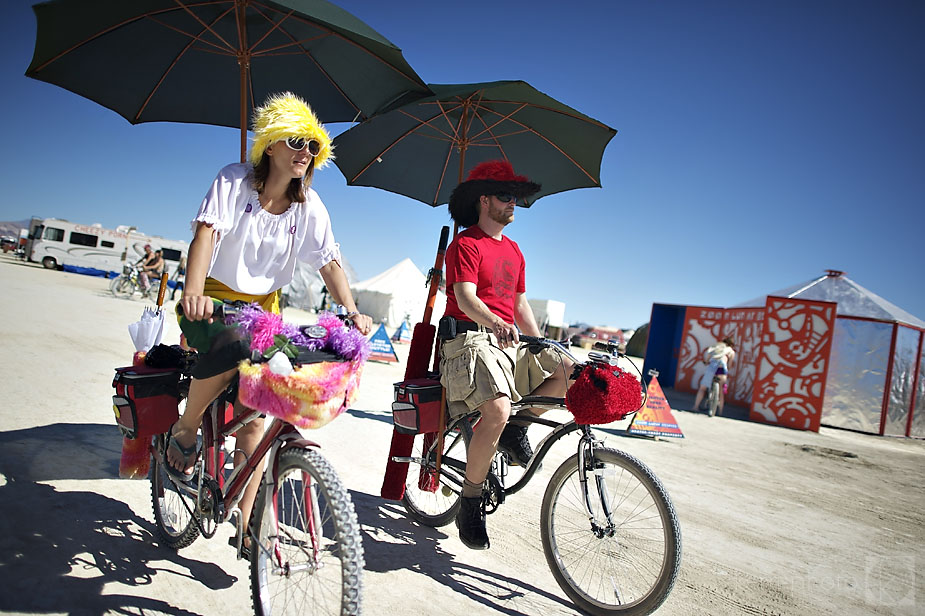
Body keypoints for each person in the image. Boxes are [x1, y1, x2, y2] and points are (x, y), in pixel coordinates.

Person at [165, 92, 373, 554]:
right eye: (298, 141)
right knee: (233, 348)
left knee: (257, 413)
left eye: (314, 146)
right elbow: (206, 234)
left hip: (265, 307)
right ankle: (187, 426)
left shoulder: (309, 205)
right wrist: (193, 293)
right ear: (271, 144)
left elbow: (329, 261)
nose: (306, 153)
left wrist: (352, 309)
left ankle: (249, 518)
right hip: (214, 299)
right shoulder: (233, 180)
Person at [439, 160, 573, 550]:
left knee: (571, 372)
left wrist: (544, 343)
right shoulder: (465, 244)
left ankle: (519, 426)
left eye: (515, 196)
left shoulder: (515, 251)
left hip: (505, 341)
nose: (513, 202)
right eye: (505, 195)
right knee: (496, 409)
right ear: (484, 200)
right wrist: (495, 323)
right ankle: (470, 500)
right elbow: (465, 297)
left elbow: (519, 304)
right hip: (467, 341)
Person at [692, 337, 736, 415]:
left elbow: (709, 355)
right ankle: (720, 412)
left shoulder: (717, 346)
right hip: (721, 368)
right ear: (731, 345)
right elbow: (729, 365)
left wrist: (706, 361)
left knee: (703, 388)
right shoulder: (731, 351)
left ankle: (695, 407)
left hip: (712, 366)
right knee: (721, 392)